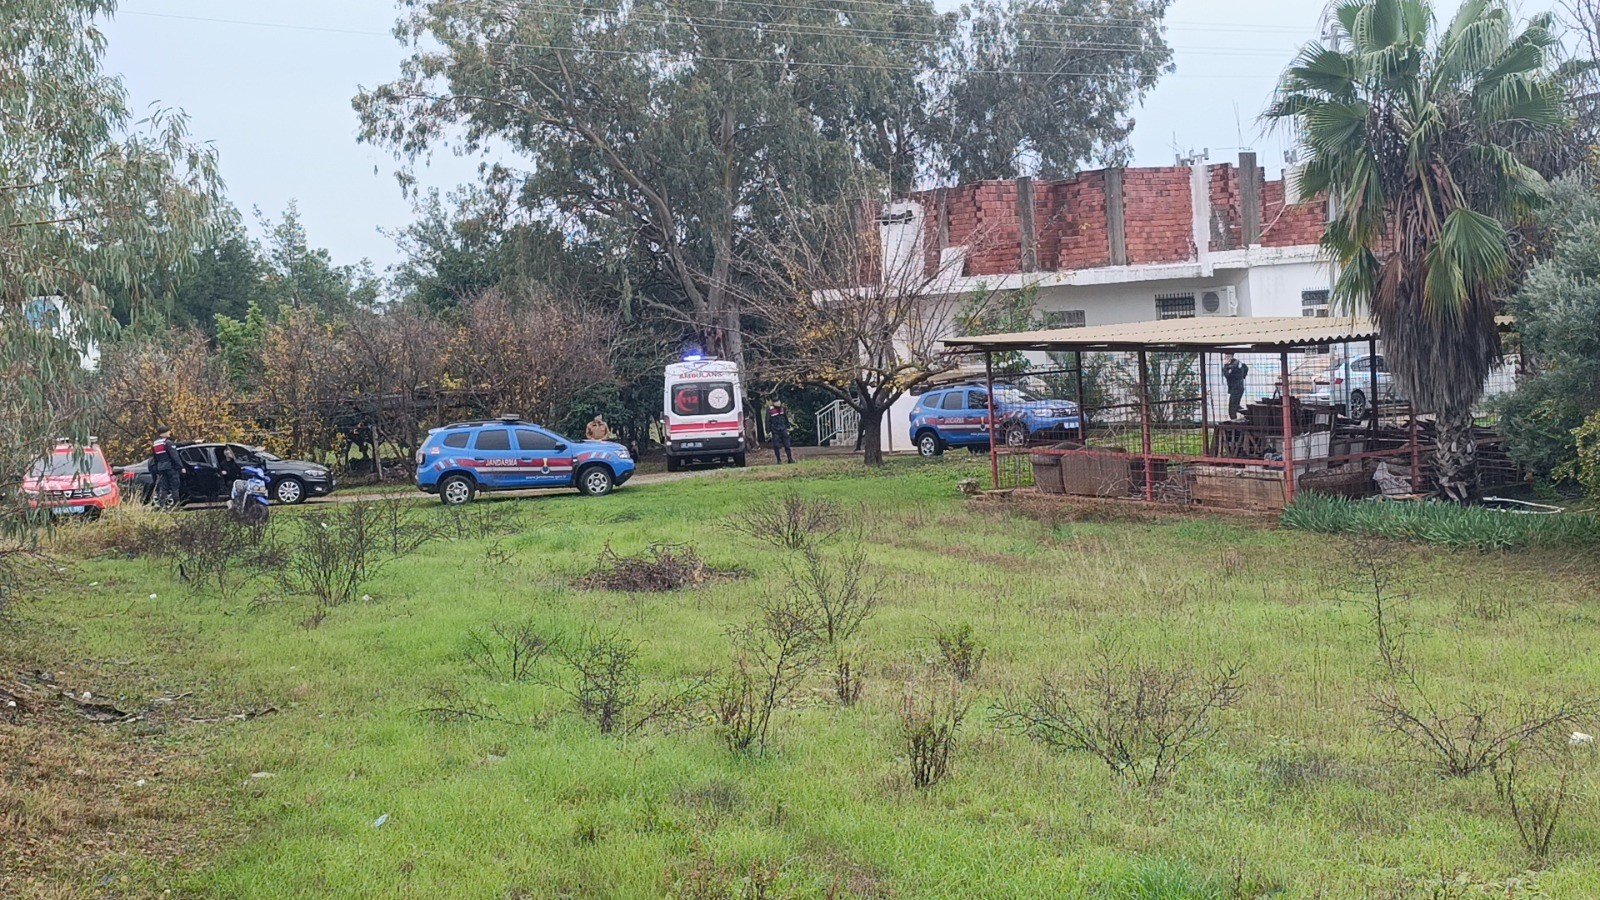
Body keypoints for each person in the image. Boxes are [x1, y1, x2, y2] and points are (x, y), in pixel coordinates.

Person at [150, 426, 182, 509]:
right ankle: (176, 505)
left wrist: (157, 468)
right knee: (175, 486)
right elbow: (175, 456)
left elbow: (155, 458)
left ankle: (162, 505)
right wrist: (180, 467)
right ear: (163, 433)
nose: (169, 433)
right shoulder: (167, 442)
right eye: (168, 432)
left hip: (161, 468)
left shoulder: (155, 444)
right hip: (170, 468)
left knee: (164, 487)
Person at [1222, 353, 1249, 420]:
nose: (1225, 358)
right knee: (1236, 406)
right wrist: (1242, 376)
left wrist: (1225, 366)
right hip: (1238, 387)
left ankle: (1235, 423)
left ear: (1230, 357)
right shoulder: (1238, 363)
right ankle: (1249, 414)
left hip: (1236, 388)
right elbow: (1245, 368)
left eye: (1226, 357)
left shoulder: (1234, 364)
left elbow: (1227, 375)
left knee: (1232, 409)